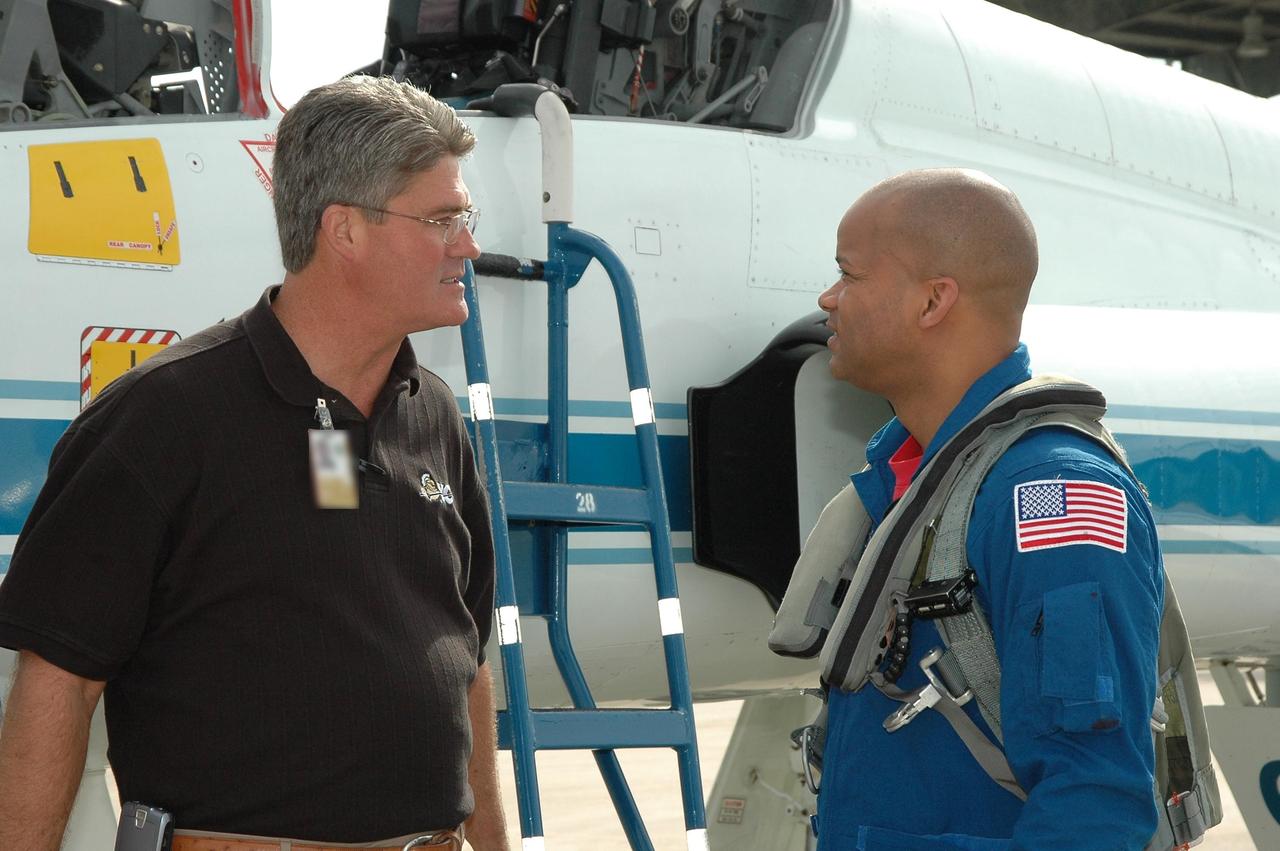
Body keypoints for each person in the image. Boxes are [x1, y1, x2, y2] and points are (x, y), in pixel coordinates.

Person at [0, 76, 506, 851]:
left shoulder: (435, 416)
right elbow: (58, 683)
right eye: (443, 219)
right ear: (345, 230)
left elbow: (467, 660)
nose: (468, 244)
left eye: (464, 217)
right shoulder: (160, 420)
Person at [809, 169, 1163, 848]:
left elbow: (1092, 801)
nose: (828, 298)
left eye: (849, 275)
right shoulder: (911, 480)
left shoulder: (1050, 496)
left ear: (935, 300)